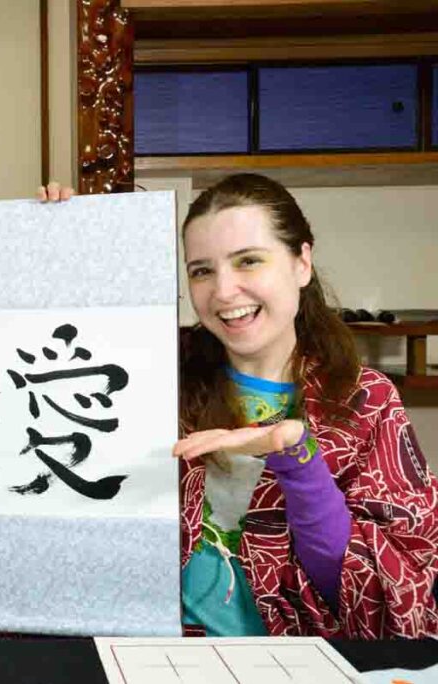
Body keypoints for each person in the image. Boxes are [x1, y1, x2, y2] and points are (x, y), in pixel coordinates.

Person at [173, 173, 438, 638]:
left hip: (293, 660)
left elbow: (386, 605)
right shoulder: (160, 380)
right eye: (201, 271)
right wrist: (62, 228)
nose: (223, 291)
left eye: (248, 261)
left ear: (302, 263)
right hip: (154, 650)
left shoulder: (364, 401)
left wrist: (296, 456)